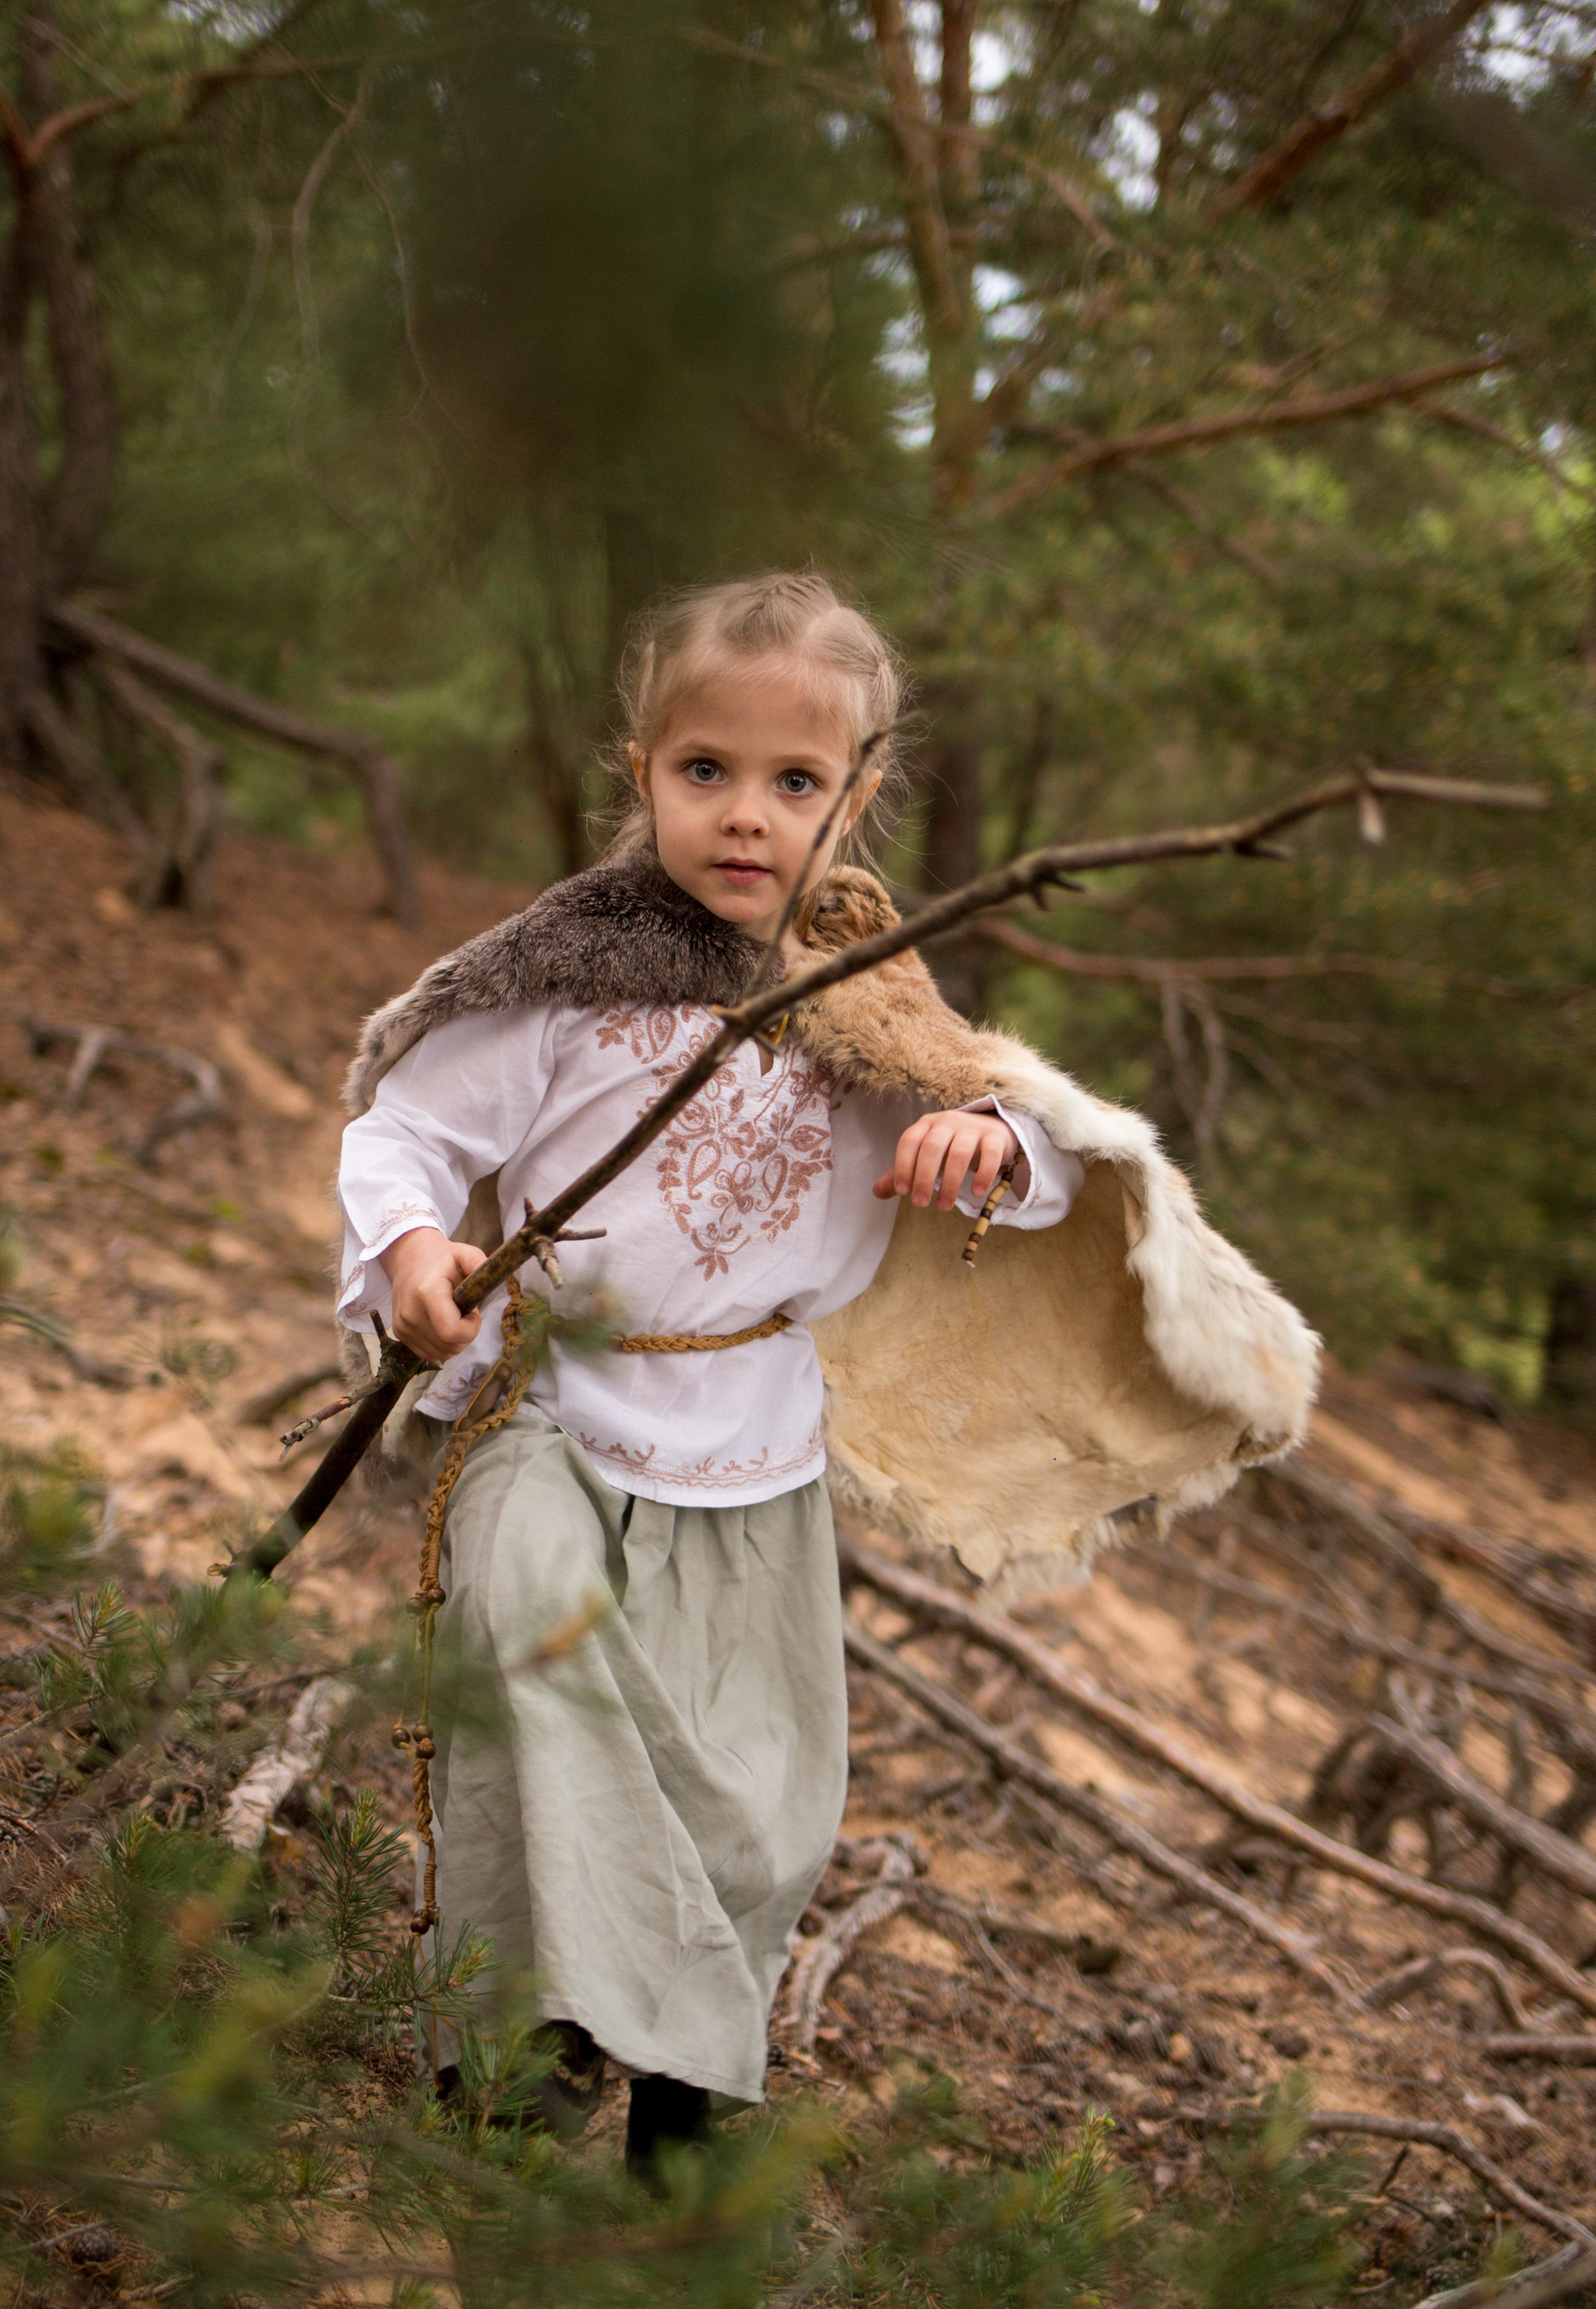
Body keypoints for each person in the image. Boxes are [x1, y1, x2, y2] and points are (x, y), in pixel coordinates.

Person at [333, 572, 1088, 2177]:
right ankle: (522, 2051)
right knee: (539, 1695)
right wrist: (408, 1251)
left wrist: (990, 1141)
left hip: (752, 1448)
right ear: (642, 772)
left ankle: (685, 2106)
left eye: (794, 781)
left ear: (854, 799)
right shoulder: (565, 972)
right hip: (550, 1419)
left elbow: (1057, 1159)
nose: (746, 815)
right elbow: (405, 1131)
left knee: (759, 1803)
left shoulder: (866, 992)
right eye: (705, 770)